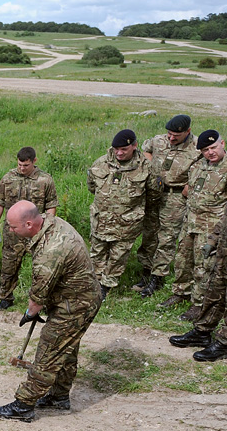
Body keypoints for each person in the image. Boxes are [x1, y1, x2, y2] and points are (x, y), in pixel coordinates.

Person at [0, 201, 102, 422]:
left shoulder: (50, 251)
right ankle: (59, 397)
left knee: (49, 350)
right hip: (77, 298)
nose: (11, 231)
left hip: (76, 305)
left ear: (29, 224)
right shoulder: (51, 223)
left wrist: (30, 313)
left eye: (13, 227)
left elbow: (37, 298)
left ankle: (24, 404)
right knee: (66, 350)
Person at [163, 130, 227, 322]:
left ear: (222, 144)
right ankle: (180, 292)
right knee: (182, 261)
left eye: (213, 147)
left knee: (204, 267)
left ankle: (199, 304)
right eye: (206, 150)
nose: (210, 153)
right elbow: (188, 190)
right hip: (190, 223)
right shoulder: (198, 166)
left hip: (211, 228)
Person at [137, 114, 199, 297]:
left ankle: (158, 276)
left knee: (167, 237)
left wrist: (191, 184)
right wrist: (149, 165)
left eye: (176, 136)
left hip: (176, 196)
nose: (171, 138)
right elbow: (145, 149)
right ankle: (146, 272)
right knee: (149, 234)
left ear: (187, 131)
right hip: (154, 194)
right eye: (169, 134)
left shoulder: (197, 146)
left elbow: (206, 167)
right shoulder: (158, 140)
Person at [0, 147, 58, 310]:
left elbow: (51, 205)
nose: (22, 168)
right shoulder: (8, 178)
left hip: (36, 232)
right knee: (9, 266)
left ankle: (42, 300)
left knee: (42, 267)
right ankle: (6, 297)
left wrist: (48, 227)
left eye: (26, 165)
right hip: (12, 232)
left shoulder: (45, 180)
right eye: (20, 164)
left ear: (34, 161)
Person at [87, 129, 150, 298]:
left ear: (134, 146)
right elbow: (92, 186)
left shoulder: (146, 167)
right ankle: (94, 282)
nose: (119, 153)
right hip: (102, 219)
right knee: (97, 252)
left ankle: (107, 286)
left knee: (118, 255)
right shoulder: (100, 163)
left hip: (127, 223)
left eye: (124, 149)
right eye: (116, 149)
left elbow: (154, 194)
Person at [169, 211, 227, 361]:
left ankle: (224, 343)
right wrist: (213, 240)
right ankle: (202, 332)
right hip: (224, 251)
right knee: (215, 291)